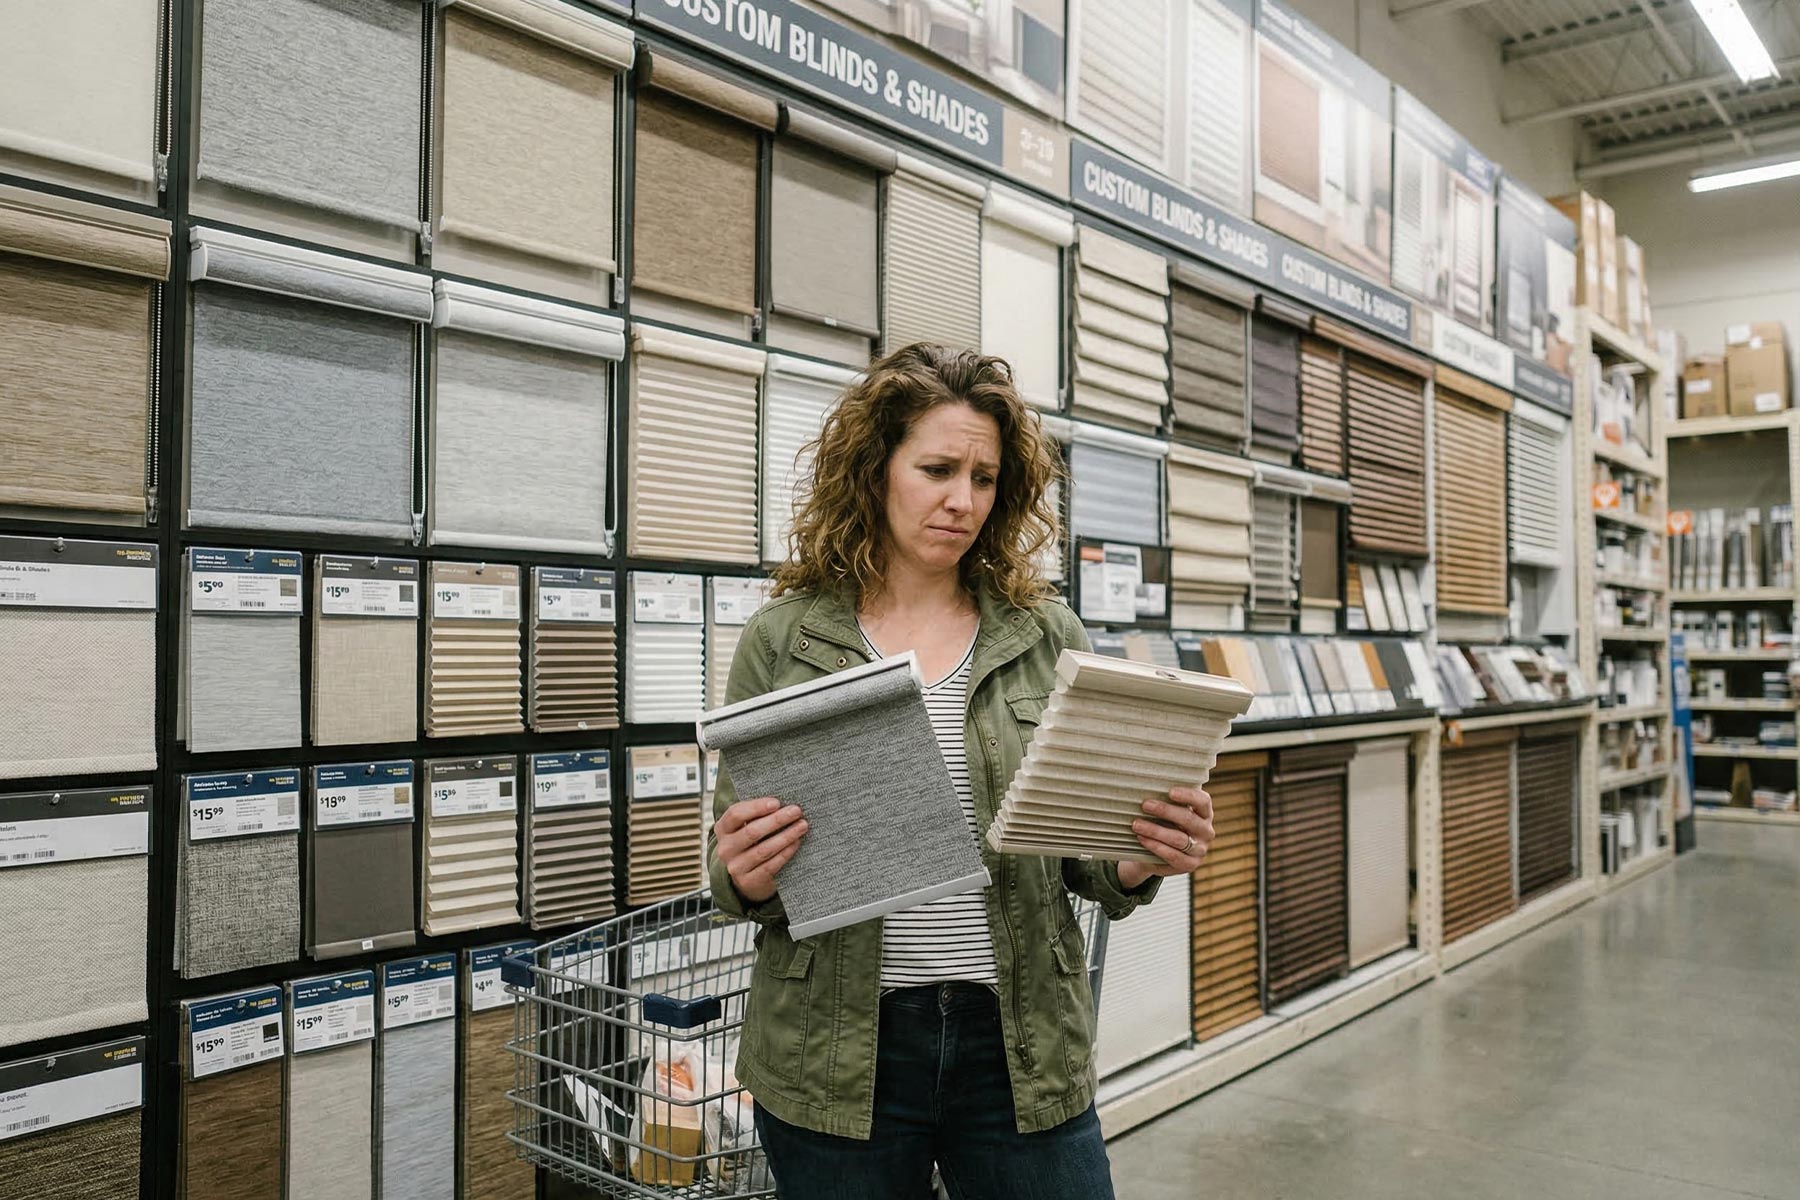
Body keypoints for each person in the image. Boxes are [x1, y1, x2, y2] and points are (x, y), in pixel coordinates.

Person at [705, 343, 1215, 1199]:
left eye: (983, 478)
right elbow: (735, 861)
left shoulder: (1045, 634)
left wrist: (1139, 854)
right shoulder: (785, 639)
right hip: (836, 1048)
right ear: (875, 471)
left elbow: (1088, 860)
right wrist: (745, 875)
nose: (962, 500)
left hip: (1018, 1041)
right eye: (937, 469)